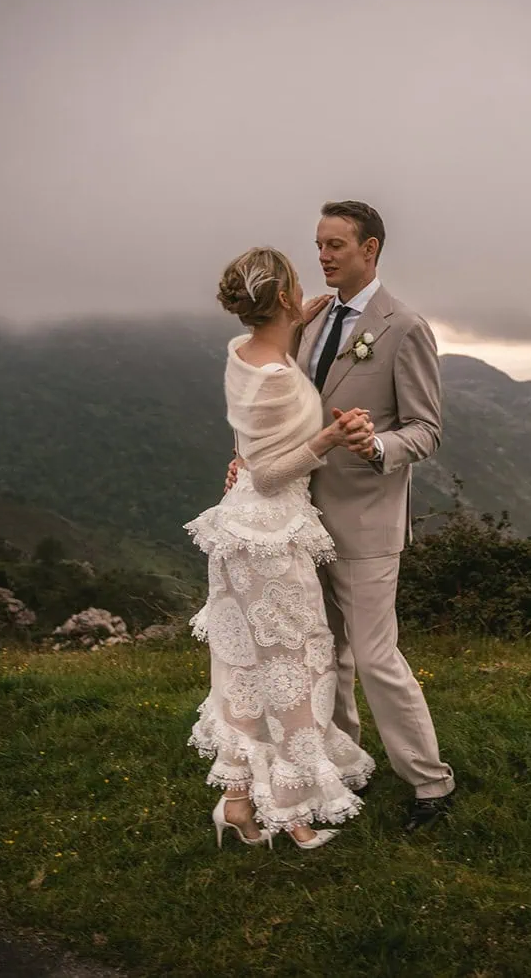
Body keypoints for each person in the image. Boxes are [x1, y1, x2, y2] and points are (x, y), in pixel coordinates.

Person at [226, 200, 456, 832]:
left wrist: (377, 446)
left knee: (377, 657)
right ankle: (347, 769)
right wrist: (245, 461)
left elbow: (427, 430)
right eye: (319, 245)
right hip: (301, 521)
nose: (323, 256)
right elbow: (277, 409)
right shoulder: (317, 318)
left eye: (335, 245)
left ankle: (431, 786)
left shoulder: (404, 327)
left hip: (367, 522)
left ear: (370, 250)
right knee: (325, 655)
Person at [185, 246, 376, 849]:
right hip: (268, 536)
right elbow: (268, 472)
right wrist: (329, 437)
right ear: (287, 296)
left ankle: (240, 806)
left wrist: (294, 325)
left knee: (246, 670)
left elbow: (271, 386)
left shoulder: (243, 353)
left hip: (242, 532)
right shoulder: (272, 377)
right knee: (292, 668)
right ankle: (288, 812)